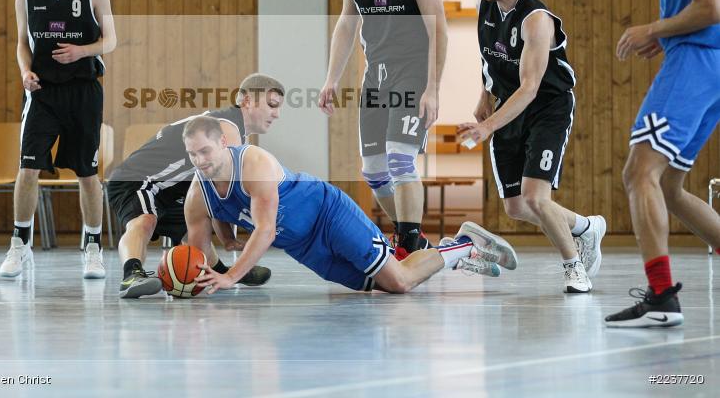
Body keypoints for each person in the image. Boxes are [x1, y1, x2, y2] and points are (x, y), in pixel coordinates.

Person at [183, 116, 518, 294]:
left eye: (205, 151)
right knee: (382, 285)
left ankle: (464, 245)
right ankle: (450, 252)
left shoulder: (253, 163)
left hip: (328, 214)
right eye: (193, 154)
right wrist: (188, 279)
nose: (200, 161)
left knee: (399, 282)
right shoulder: (198, 197)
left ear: (223, 144)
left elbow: (266, 229)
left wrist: (231, 278)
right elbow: (200, 255)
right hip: (303, 246)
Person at [606, 0, 720, 327]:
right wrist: (667, 32)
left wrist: (653, 27)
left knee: (639, 173)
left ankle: (660, 296)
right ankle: (661, 294)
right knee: (669, 185)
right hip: (710, 64)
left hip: (696, 61)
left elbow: (711, 7)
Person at [457, 0, 606, 294]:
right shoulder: (486, 5)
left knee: (537, 198)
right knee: (516, 207)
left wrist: (485, 128)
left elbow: (529, 87)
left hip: (546, 107)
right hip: (509, 104)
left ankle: (574, 267)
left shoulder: (537, 21)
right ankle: (586, 226)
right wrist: (484, 95)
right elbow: (490, 57)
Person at [319, 0, 448, 259]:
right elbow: (346, 25)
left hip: (411, 75)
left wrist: (432, 88)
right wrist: (331, 78)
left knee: (400, 161)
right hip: (375, 78)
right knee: (373, 170)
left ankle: (407, 244)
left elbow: (438, 30)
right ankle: (413, 236)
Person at [0, 0, 117, 280]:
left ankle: (93, 248)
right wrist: (24, 70)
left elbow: (110, 41)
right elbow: (22, 42)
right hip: (42, 92)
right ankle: (20, 245)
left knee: (86, 172)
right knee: (28, 168)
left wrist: (81, 50)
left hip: (83, 91)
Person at [108, 73, 285, 298]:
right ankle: (131, 274)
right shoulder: (226, 128)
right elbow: (222, 191)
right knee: (145, 220)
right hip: (137, 178)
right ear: (248, 100)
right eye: (272, 105)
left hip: (169, 189)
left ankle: (218, 271)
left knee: (194, 229)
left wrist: (227, 237)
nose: (276, 114)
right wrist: (235, 232)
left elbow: (215, 193)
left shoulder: (234, 133)